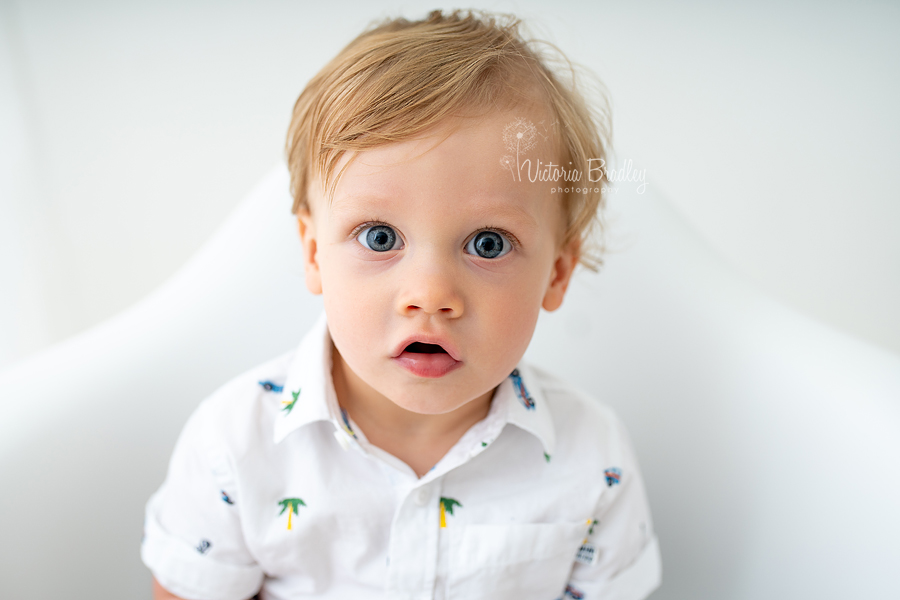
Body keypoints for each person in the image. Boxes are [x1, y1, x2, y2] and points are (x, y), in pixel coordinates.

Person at [142, 9, 661, 600]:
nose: (430, 295)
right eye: (380, 238)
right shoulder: (234, 446)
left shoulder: (591, 455)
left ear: (557, 273)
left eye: (487, 244)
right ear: (314, 254)